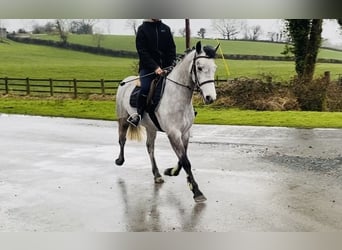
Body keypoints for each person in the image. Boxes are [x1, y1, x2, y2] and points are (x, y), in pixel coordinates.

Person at [127, 19, 177, 127]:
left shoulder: (166, 29)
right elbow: (142, 52)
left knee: (178, 86)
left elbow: (171, 49)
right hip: (148, 68)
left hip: (166, 68)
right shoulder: (142, 29)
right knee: (145, 88)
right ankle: (138, 115)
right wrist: (155, 67)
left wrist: (171, 64)